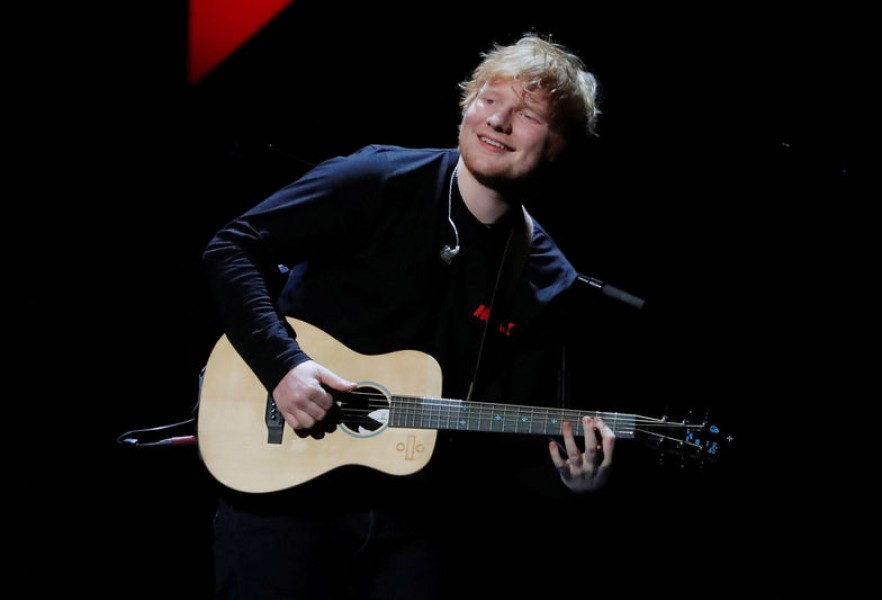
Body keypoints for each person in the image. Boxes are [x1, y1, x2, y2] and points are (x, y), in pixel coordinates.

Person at [201, 32, 615, 600]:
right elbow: (231, 248)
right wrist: (283, 365)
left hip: (421, 523)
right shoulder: (377, 179)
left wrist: (571, 479)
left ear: (558, 143)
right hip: (287, 491)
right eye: (490, 100)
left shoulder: (545, 276)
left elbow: (507, 424)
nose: (498, 121)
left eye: (527, 114)